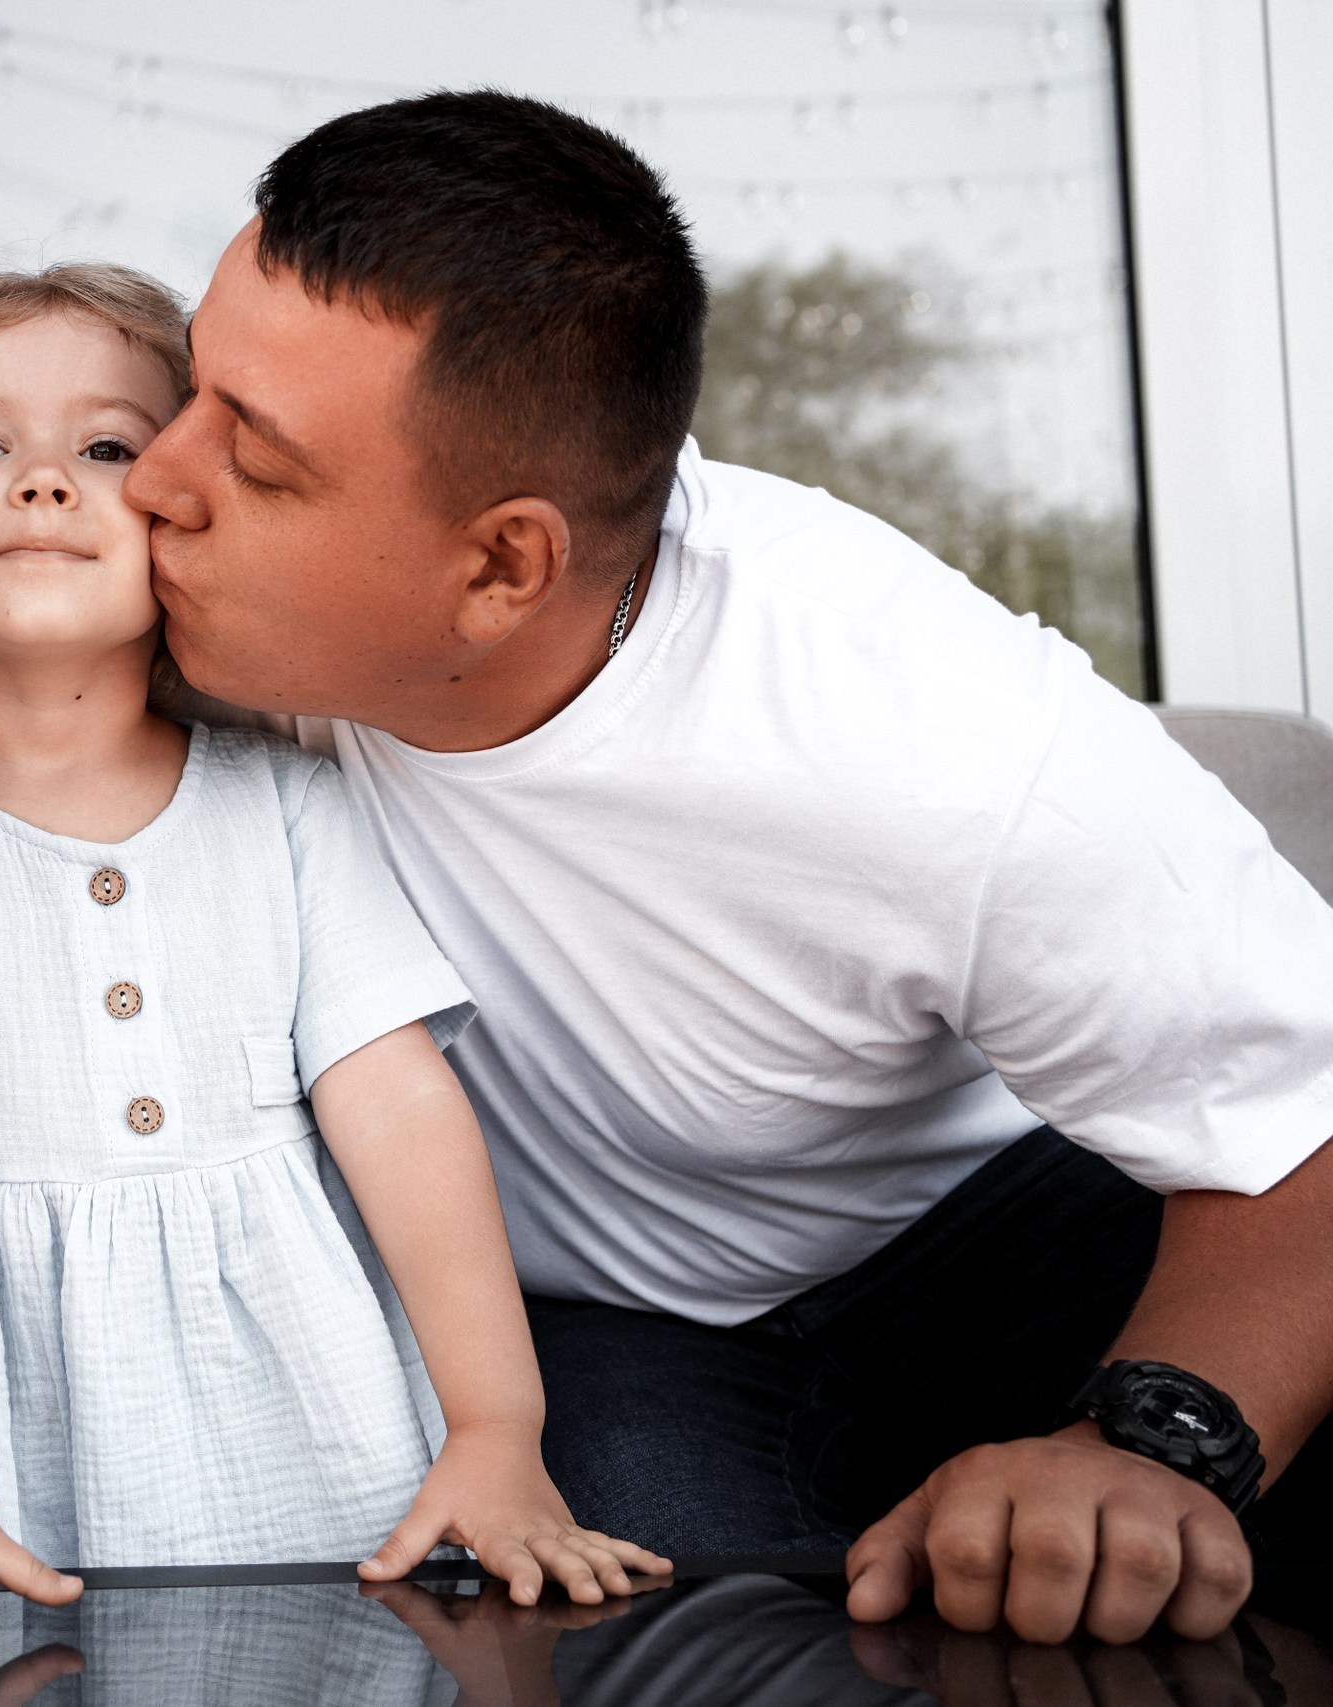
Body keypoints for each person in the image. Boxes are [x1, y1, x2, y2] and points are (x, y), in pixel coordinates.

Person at [121, 91, 1333, 1647]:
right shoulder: (169, 608)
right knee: (640, 1645)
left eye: (258, 462)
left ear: (503, 567)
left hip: (1006, 1230)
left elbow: (1305, 1119)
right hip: (620, 1335)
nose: (155, 478)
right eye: (192, 389)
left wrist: (1153, 1445)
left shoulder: (930, 733)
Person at [0, 264, 665, 1674]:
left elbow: (403, 1116)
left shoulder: (291, 805)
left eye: (108, 448)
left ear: (181, 508)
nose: (42, 483)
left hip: (320, 1411)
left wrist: (496, 1432)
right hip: (19, 1434)